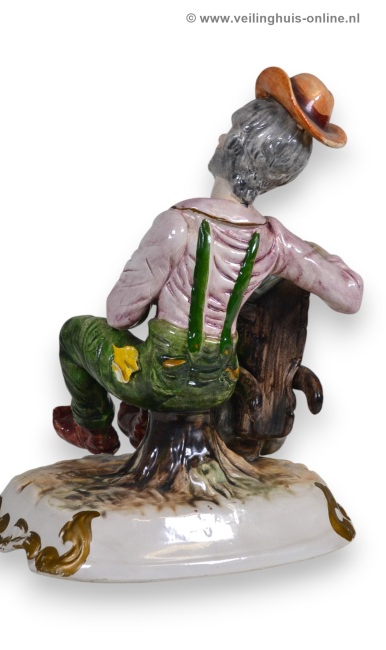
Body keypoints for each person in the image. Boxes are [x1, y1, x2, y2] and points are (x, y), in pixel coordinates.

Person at [53, 67, 363, 455]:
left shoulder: (178, 224)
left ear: (237, 147)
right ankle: (144, 419)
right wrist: (314, 253)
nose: (220, 137)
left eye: (231, 131)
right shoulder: (275, 240)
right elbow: (350, 295)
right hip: (221, 382)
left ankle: (92, 428)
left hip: (162, 377)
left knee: (74, 333)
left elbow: (119, 314)